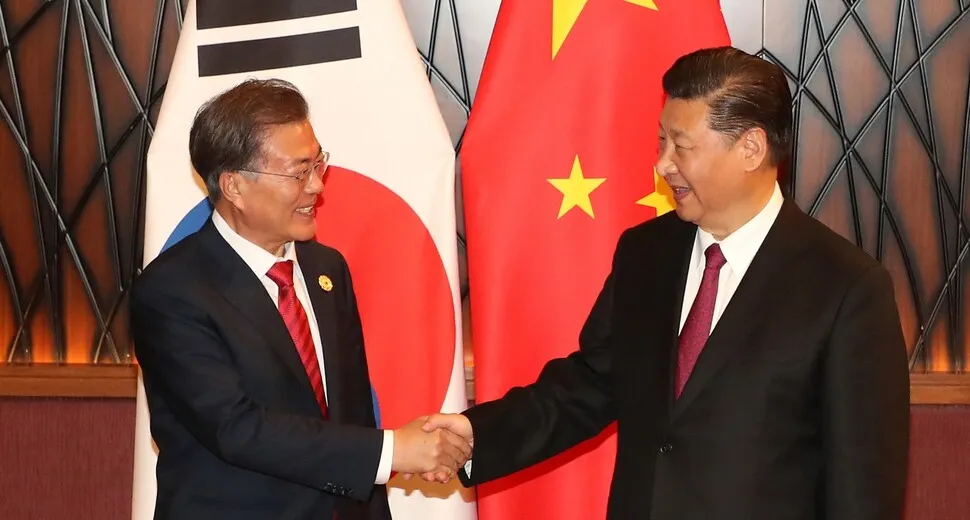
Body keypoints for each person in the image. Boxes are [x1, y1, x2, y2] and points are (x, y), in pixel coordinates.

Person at [422, 47, 910, 520]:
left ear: (751, 148)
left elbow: (862, 492)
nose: (662, 164)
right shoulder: (646, 253)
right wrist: (474, 435)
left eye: (682, 145)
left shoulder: (846, 288)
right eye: (661, 142)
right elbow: (588, 385)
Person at [131, 78, 471, 520]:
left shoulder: (326, 269)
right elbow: (236, 429)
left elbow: (350, 416)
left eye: (318, 164)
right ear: (234, 186)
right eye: (298, 172)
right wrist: (392, 451)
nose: (316, 187)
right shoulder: (173, 291)